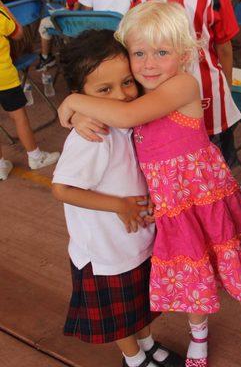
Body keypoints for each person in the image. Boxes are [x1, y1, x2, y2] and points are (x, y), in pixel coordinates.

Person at [57, 1, 241, 367]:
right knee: (192, 279)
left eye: (161, 52)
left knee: (235, 275)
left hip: (206, 202)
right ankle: (198, 336)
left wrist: (74, 100)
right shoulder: (137, 91)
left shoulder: (182, 86)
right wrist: (80, 113)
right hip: (173, 212)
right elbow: (116, 103)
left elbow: (125, 113)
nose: (149, 64)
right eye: (138, 54)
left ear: (185, 53)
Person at [52, 29, 183, 367]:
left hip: (131, 242)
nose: (122, 95)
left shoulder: (128, 120)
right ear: (81, 95)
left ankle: (148, 344)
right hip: (104, 251)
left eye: (127, 82)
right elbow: (61, 189)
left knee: (137, 305)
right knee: (118, 316)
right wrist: (119, 205)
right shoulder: (92, 135)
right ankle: (134, 358)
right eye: (105, 89)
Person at [133, 0, 241, 166]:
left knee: (175, 156)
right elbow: (224, 48)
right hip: (208, 93)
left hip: (160, 91)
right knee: (217, 163)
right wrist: (227, 84)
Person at [0, 0, 60, 181]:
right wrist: (5, 8)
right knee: (19, 117)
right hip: (4, 76)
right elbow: (18, 34)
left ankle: (1, 165)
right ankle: (35, 157)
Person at [36, 0, 87, 71]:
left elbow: (75, 7)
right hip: (88, 18)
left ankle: (46, 58)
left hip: (75, 21)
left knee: (43, 24)